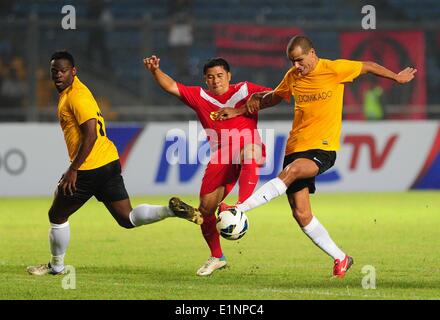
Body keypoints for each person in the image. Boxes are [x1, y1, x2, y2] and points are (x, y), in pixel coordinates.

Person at [216, 35, 416, 278]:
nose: (296, 66)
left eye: (299, 60)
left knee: (291, 172)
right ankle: (341, 258)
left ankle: (239, 208)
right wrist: (240, 109)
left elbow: (368, 66)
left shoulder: (333, 69)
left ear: (312, 53)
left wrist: (397, 77)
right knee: (301, 213)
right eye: (292, 61)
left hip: (322, 147)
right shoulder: (292, 77)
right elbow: (276, 97)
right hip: (295, 146)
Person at [27, 51, 202, 276]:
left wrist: (73, 169)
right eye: (54, 71)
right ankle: (170, 210)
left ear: (74, 71)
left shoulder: (76, 96)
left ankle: (57, 266)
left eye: (63, 71)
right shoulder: (74, 90)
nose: (58, 75)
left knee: (57, 215)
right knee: (127, 218)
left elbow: (90, 134)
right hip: (108, 162)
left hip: (89, 168)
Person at [143, 55, 272, 276]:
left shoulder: (244, 90)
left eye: (220, 76)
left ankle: (240, 206)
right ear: (205, 79)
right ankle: (217, 257)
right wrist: (155, 70)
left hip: (247, 148)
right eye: (210, 77)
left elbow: (277, 95)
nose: (216, 81)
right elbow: (172, 86)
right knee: (205, 211)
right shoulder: (199, 96)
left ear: (229, 76)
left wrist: (256, 100)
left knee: (251, 151)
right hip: (220, 158)